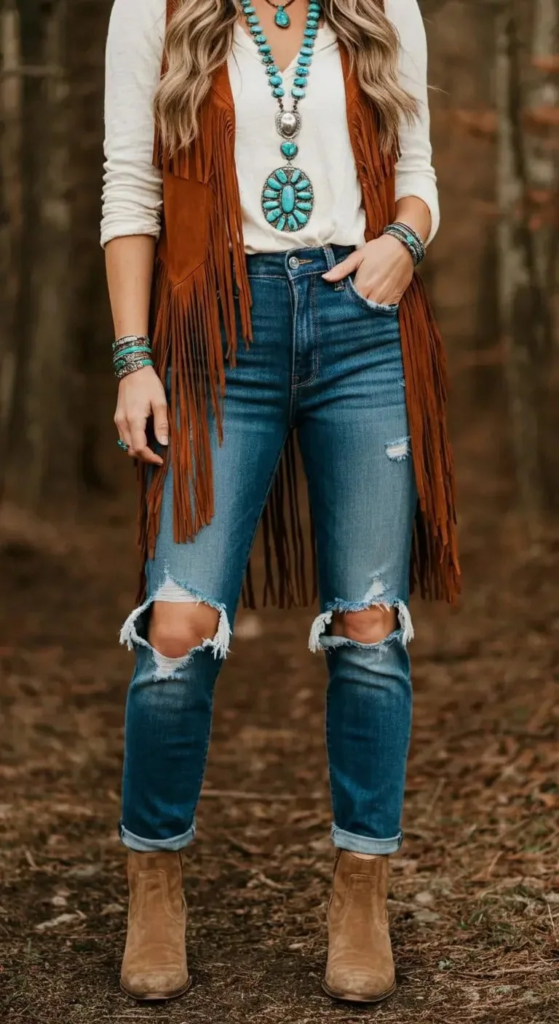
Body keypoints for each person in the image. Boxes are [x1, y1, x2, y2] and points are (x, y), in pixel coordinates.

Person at [102, 0, 460, 1005]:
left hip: (361, 323)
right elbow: (129, 192)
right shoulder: (155, 8)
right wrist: (134, 359)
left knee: (370, 624)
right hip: (219, 327)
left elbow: (420, 171)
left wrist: (403, 241)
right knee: (176, 623)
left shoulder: (381, 8)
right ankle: (155, 880)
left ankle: (360, 891)